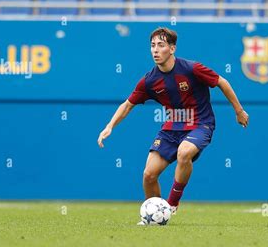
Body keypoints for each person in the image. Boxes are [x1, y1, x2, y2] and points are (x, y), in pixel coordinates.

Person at [98, 27, 249, 224]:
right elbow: (127, 105)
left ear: (172, 48)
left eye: (161, 45)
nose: (155, 50)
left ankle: (171, 204)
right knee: (149, 175)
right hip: (171, 128)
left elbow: (222, 81)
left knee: (184, 153)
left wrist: (238, 111)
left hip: (200, 123)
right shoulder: (150, 80)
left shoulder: (192, 69)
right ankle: (154, 217)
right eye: (152, 46)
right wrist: (110, 126)